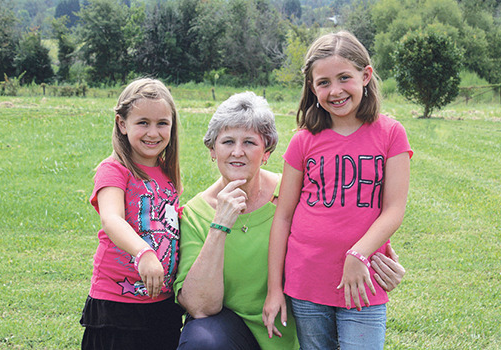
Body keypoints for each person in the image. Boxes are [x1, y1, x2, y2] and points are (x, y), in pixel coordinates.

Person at [173, 91, 406, 350]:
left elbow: (340, 230)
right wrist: (219, 225)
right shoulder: (195, 213)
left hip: (299, 332)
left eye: (250, 142)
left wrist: (377, 262)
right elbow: (199, 306)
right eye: (227, 141)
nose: (237, 152)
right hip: (232, 336)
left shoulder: (294, 193)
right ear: (212, 150)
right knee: (202, 341)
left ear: (267, 152)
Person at [263, 31, 413, 350]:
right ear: (312, 87)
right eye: (323, 82)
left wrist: (358, 253)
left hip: (363, 279)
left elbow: (394, 209)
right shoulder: (304, 141)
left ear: (366, 75)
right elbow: (283, 217)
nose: (335, 91)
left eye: (344, 77)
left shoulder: (391, 134)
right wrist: (275, 288)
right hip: (306, 280)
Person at [80, 78, 184, 349]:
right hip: (117, 305)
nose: (153, 132)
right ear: (122, 124)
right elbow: (111, 218)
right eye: (143, 123)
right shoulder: (113, 169)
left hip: (160, 304)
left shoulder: (165, 172)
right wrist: (144, 253)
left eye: (162, 123)